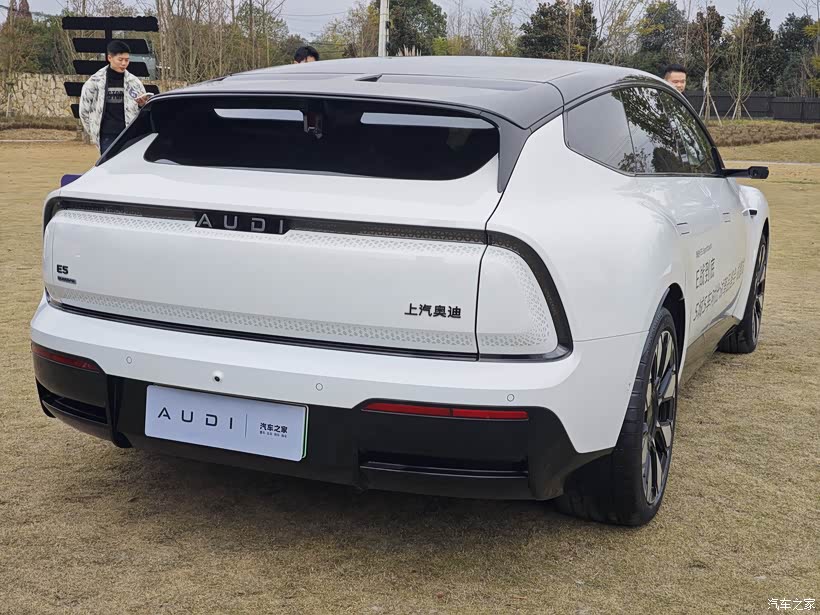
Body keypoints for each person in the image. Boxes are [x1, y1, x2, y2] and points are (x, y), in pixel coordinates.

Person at [79, 40, 150, 154]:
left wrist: (142, 105)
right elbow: (84, 111)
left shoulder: (134, 82)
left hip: (129, 135)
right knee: (109, 163)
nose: (124, 63)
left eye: (127, 60)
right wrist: (94, 130)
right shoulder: (95, 81)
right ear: (110, 58)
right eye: (120, 60)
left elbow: (144, 111)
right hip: (106, 136)